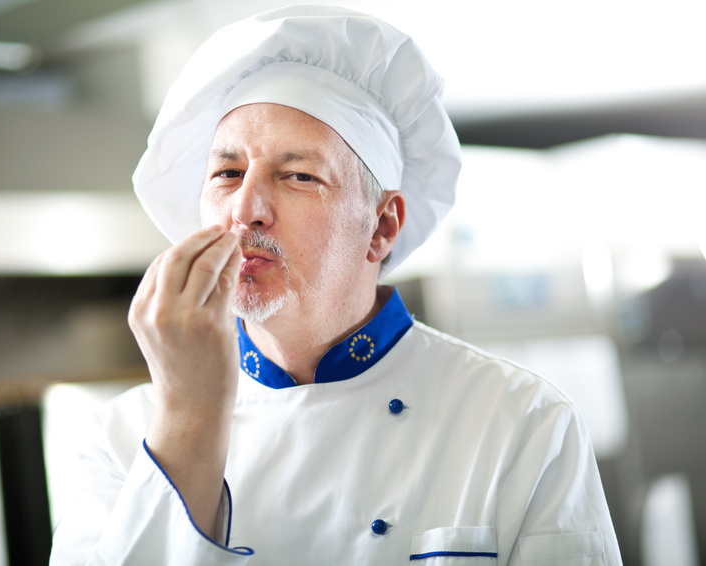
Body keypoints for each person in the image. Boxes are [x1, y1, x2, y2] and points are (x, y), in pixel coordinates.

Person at [50, 5, 622, 565]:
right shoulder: (119, 443)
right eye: (226, 172)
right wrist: (188, 415)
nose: (244, 208)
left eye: (298, 176)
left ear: (382, 226)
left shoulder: (522, 424)